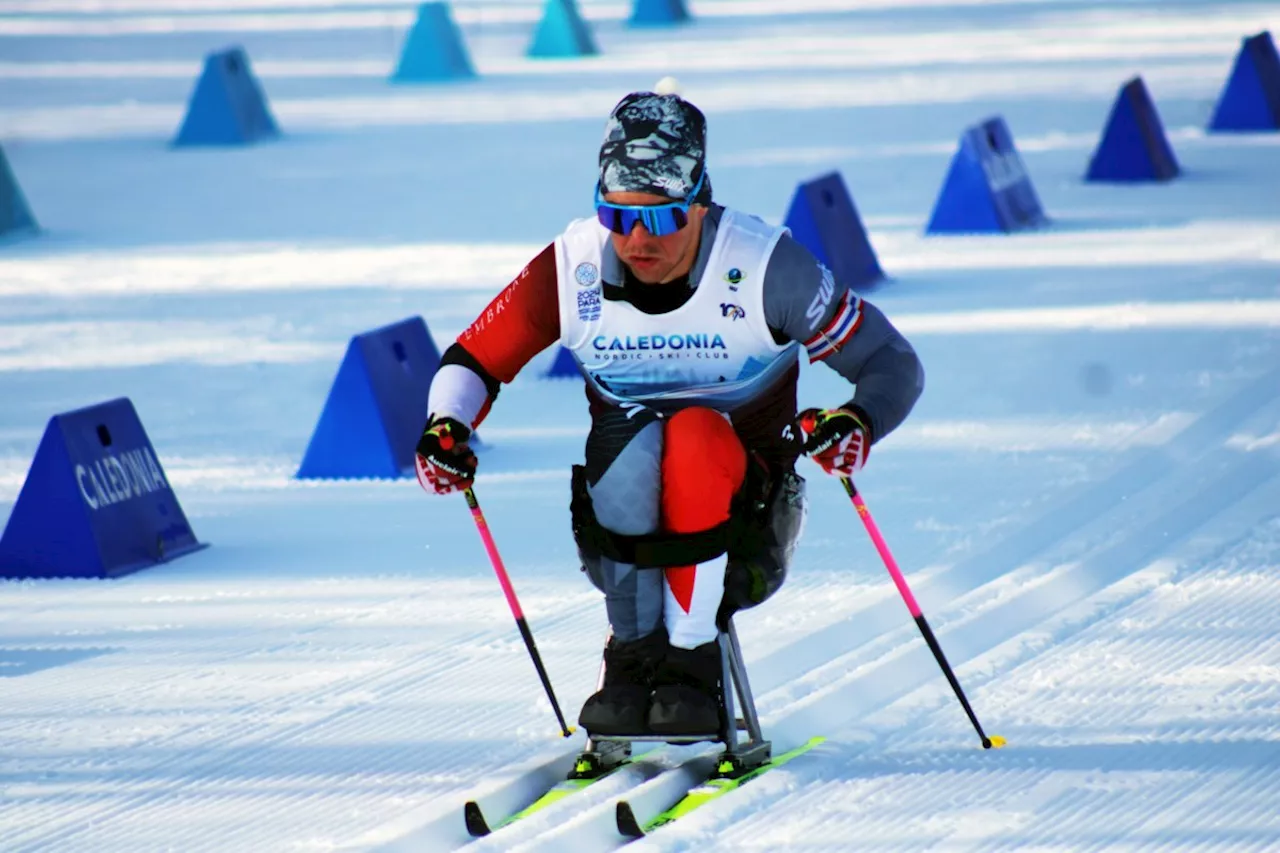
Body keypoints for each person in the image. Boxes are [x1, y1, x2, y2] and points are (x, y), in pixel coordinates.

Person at [415, 91, 924, 738]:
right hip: (618, 517)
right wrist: (445, 428)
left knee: (692, 430)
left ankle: (692, 658)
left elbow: (891, 359)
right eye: (615, 216)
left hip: (749, 523)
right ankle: (629, 657)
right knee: (635, 443)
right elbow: (475, 358)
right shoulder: (571, 266)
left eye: (658, 220)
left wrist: (857, 421)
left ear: (699, 205)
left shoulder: (764, 267)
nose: (633, 240)